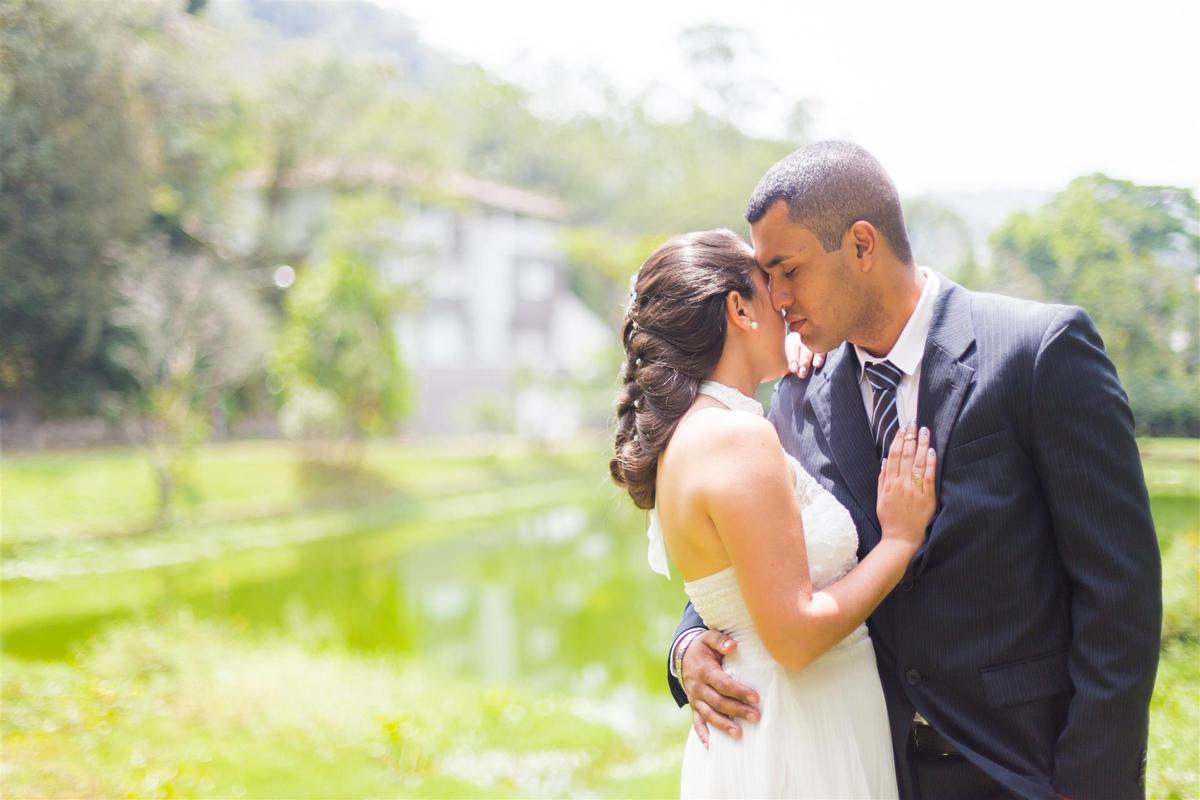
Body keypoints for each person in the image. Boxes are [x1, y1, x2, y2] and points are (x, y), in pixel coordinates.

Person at [668, 142, 1162, 800]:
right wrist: (689, 642)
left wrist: (1089, 785)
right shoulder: (798, 396)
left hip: (1027, 773)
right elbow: (760, 547)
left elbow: (1119, 594)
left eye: (788, 270)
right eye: (767, 275)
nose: (777, 298)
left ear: (863, 246)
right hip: (873, 771)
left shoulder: (1039, 353)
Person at [611, 228, 939, 797]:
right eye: (771, 283)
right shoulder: (738, 437)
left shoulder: (690, 435)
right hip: (798, 728)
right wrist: (899, 543)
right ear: (739, 308)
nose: (787, 302)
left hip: (775, 719)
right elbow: (794, 636)